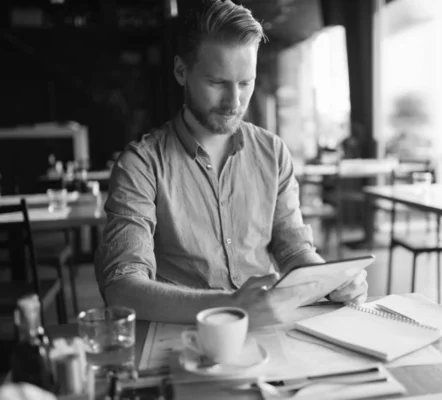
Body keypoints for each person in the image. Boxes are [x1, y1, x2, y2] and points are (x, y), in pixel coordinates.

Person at [94, 0, 368, 326]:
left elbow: (294, 251)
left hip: (268, 331)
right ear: (181, 71)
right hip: (184, 340)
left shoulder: (273, 153)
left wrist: (330, 280)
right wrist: (232, 305)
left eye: (245, 83)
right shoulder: (140, 165)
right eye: (218, 83)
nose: (234, 102)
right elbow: (122, 289)